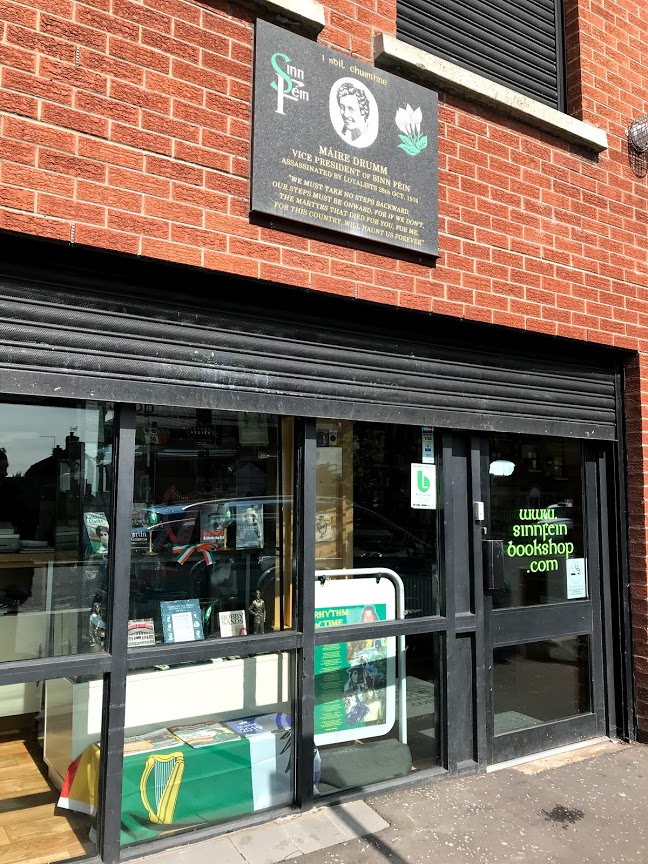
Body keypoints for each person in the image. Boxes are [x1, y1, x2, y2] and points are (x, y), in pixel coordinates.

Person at [335, 82, 374, 147]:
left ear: (363, 111)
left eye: (351, 109)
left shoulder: (369, 137)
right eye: (342, 107)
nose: (345, 114)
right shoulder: (345, 133)